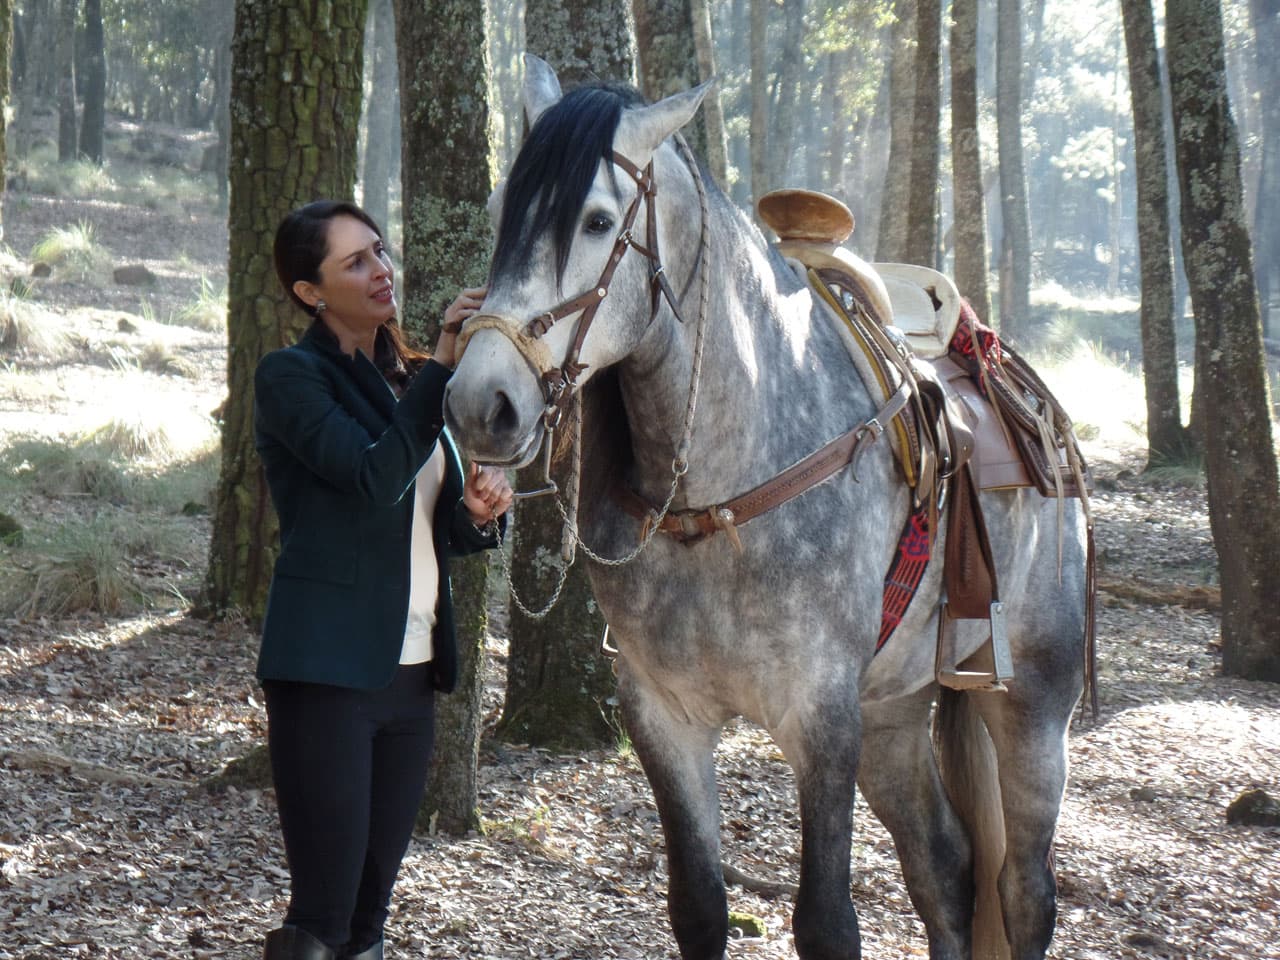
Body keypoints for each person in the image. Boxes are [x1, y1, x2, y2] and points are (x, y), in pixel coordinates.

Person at [254, 200, 512, 960]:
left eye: (380, 251)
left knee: (370, 919)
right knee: (323, 918)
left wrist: (477, 511)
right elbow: (372, 479)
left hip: (410, 677)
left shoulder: (402, 381)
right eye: (355, 262)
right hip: (328, 674)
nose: (381, 270)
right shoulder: (292, 377)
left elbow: (423, 520)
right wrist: (440, 363)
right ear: (310, 291)